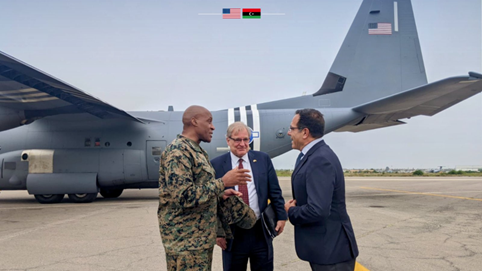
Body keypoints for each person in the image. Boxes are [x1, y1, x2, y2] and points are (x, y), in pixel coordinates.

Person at [158, 105, 252, 271]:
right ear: (194, 122)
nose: (213, 127)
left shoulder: (195, 151)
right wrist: (222, 182)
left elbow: (198, 189)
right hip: (186, 243)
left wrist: (220, 194)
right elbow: (184, 196)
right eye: (209, 121)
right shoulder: (178, 151)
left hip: (198, 241)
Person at [284, 109, 358, 271]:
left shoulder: (320, 159)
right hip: (326, 251)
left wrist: (291, 211)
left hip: (332, 253)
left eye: (292, 128)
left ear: (305, 132)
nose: (289, 133)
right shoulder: (313, 156)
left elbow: (317, 210)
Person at [211, 121, 287, 271]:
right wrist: (218, 233)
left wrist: (282, 217)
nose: (242, 144)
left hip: (260, 230)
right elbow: (213, 202)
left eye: (246, 139)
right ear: (228, 140)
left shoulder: (263, 159)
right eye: (237, 140)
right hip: (232, 233)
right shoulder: (216, 165)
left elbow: (275, 192)